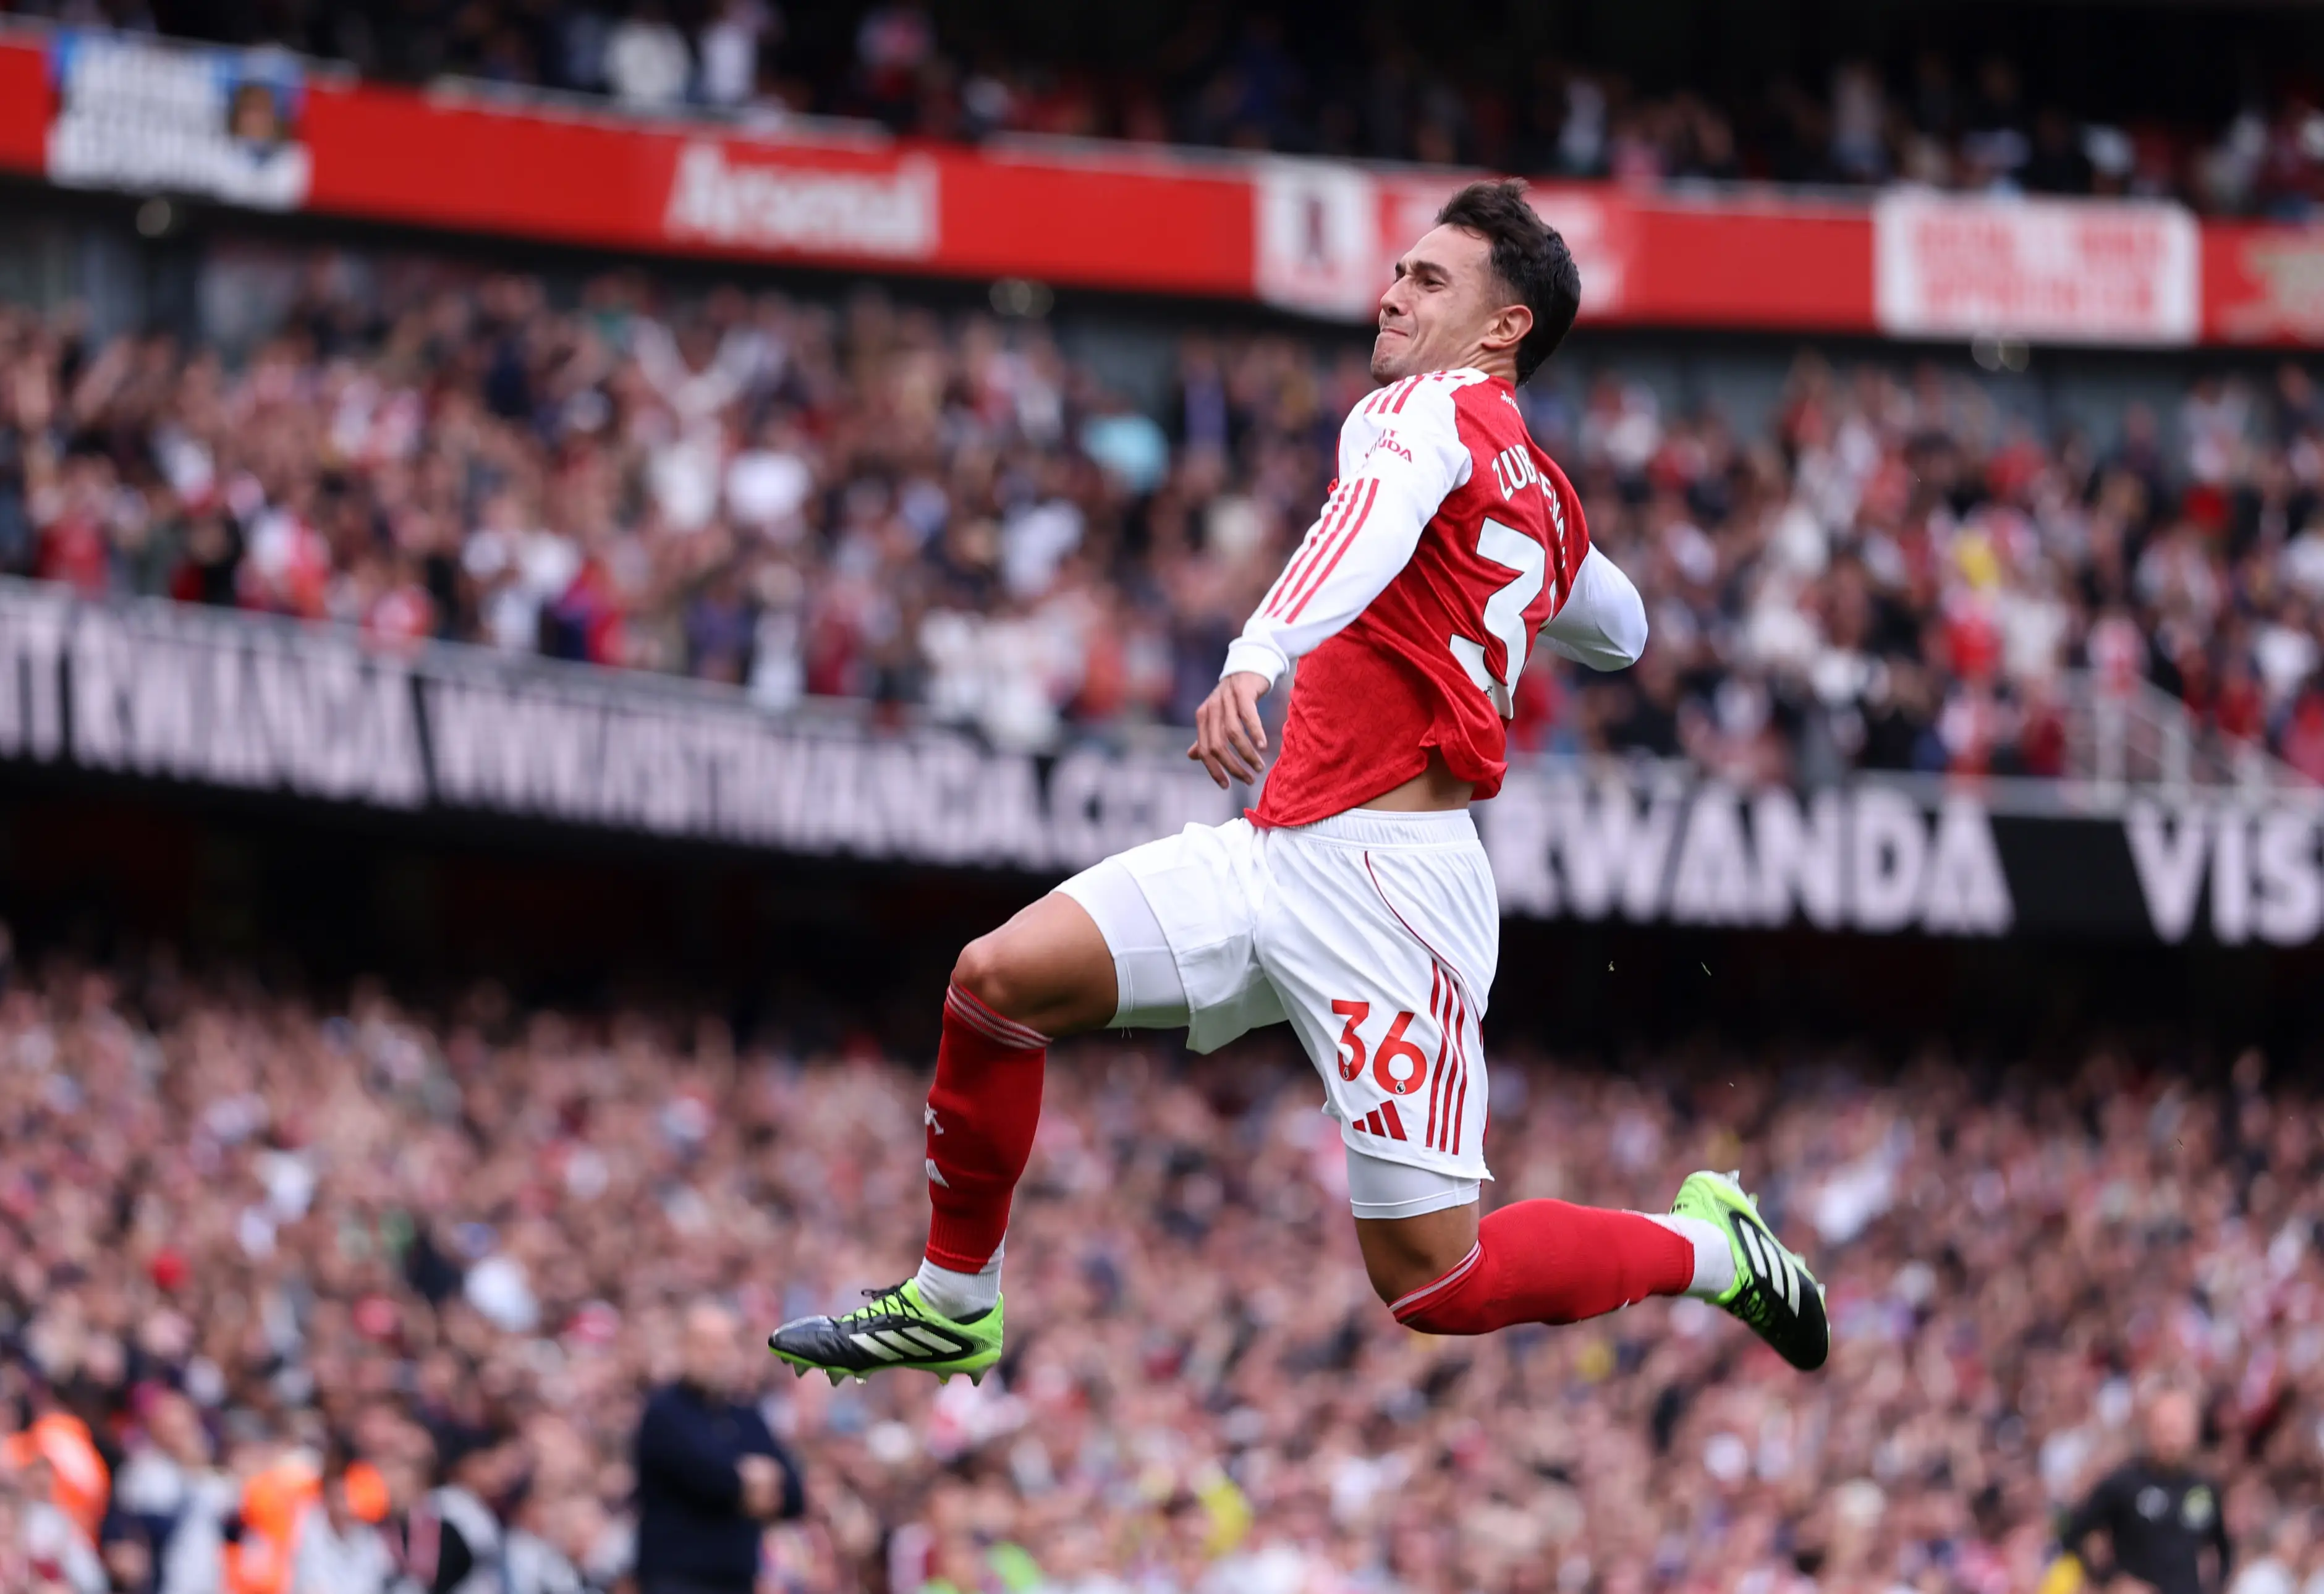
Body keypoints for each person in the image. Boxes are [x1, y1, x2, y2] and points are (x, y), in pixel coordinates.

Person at [768, 179, 1831, 1386]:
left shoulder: (1417, 413)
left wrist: (1260, 647)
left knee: (1438, 1278)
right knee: (997, 980)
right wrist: (1547, 571)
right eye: (1397, 271)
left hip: (1392, 895)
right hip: (1278, 846)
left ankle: (1710, 1246)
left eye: (1429, 279)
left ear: (1505, 328)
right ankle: (956, 1299)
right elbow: (1625, 629)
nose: (1391, 292)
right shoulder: (1536, 484)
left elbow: (1367, 521)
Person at [634, 1303, 802, 1594]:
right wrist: (747, 1480)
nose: (715, 1355)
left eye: (724, 1345)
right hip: (676, 1579)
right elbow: (711, 1478)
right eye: (704, 1344)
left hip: (737, 1580)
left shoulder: (745, 1414)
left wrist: (745, 1482)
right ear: (683, 1347)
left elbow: (793, 1494)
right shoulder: (664, 1412)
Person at [2059, 1388, 2233, 1594]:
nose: (2171, 1439)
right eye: (2164, 1428)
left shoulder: (2204, 1488)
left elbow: (2225, 1548)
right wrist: (2110, 1579)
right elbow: (2071, 1533)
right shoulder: (2123, 1482)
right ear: (2149, 1430)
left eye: (2178, 1428)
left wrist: (2216, 1586)